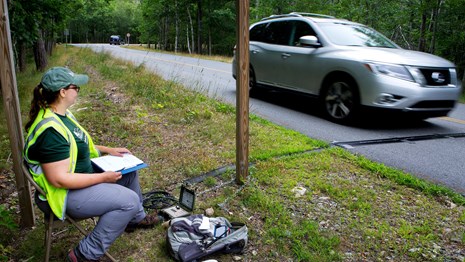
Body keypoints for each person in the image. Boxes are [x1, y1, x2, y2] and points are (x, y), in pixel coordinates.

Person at [23, 67, 162, 261]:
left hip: (79, 178)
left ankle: (134, 219)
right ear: (63, 92)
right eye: (75, 87)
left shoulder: (62, 115)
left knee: (128, 172)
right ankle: (83, 255)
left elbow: (75, 145)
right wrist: (104, 177)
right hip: (66, 194)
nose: (78, 90)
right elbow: (59, 180)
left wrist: (108, 150)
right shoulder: (50, 132)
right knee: (128, 200)